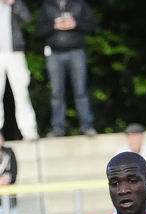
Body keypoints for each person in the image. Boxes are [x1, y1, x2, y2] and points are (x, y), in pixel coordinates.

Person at [0, 0, 40, 142]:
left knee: (21, 92)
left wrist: (15, 4)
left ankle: (28, 129)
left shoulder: (14, 3)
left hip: (15, 53)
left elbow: (27, 19)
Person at [36, 0, 97, 138]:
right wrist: (54, 26)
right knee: (56, 93)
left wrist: (76, 24)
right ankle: (57, 128)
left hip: (76, 51)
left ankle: (87, 125)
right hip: (54, 53)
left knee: (81, 91)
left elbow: (92, 26)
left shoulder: (80, 3)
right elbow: (39, 31)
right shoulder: (48, 5)